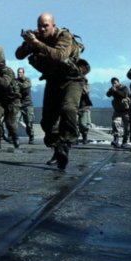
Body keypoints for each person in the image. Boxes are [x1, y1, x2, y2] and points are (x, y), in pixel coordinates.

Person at [15, 13, 85, 170]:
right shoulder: (37, 36)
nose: (42, 28)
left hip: (72, 79)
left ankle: (66, 143)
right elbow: (18, 55)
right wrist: (28, 42)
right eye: (40, 25)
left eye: (46, 25)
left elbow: (59, 56)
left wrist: (36, 43)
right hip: (53, 80)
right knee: (47, 121)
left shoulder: (64, 36)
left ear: (53, 25)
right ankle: (57, 148)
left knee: (68, 108)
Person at [106, 77, 131, 148]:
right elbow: (108, 94)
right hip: (117, 110)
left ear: (118, 82)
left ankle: (125, 141)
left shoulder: (124, 87)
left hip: (126, 110)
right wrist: (111, 90)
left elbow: (124, 95)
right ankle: (116, 140)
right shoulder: (112, 89)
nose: (114, 84)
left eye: (115, 83)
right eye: (113, 83)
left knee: (127, 127)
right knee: (115, 123)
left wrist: (116, 91)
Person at [16, 67, 35, 144]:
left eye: (20, 72)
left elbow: (25, 86)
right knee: (14, 120)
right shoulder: (15, 81)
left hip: (27, 105)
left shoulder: (27, 80)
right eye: (18, 72)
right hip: (19, 105)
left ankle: (31, 136)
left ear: (23, 73)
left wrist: (18, 84)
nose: (19, 73)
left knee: (29, 123)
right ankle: (14, 137)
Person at [77, 79, 92, 144]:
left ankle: (84, 136)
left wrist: (82, 87)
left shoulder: (87, 86)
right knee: (74, 123)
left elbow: (86, 92)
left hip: (85, 107)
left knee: (83, 124)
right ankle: (75, 137)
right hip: (76, 107)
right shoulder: (75, 86)